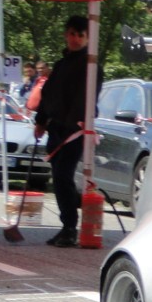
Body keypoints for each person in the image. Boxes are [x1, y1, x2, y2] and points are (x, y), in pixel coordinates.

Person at [34, 15, 99, 247]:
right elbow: (48, 96)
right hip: (56, 129)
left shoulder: (91, 66)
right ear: (66, 35)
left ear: (88, 38)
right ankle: (67, 225)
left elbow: (86, 99)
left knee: (63, 175)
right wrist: (41, 121)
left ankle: (70, 227)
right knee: (59, 178)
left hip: (75, 131)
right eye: (72, 34)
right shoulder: (61, 65)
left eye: (80, 35)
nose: (75, 39)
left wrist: (72, 124)